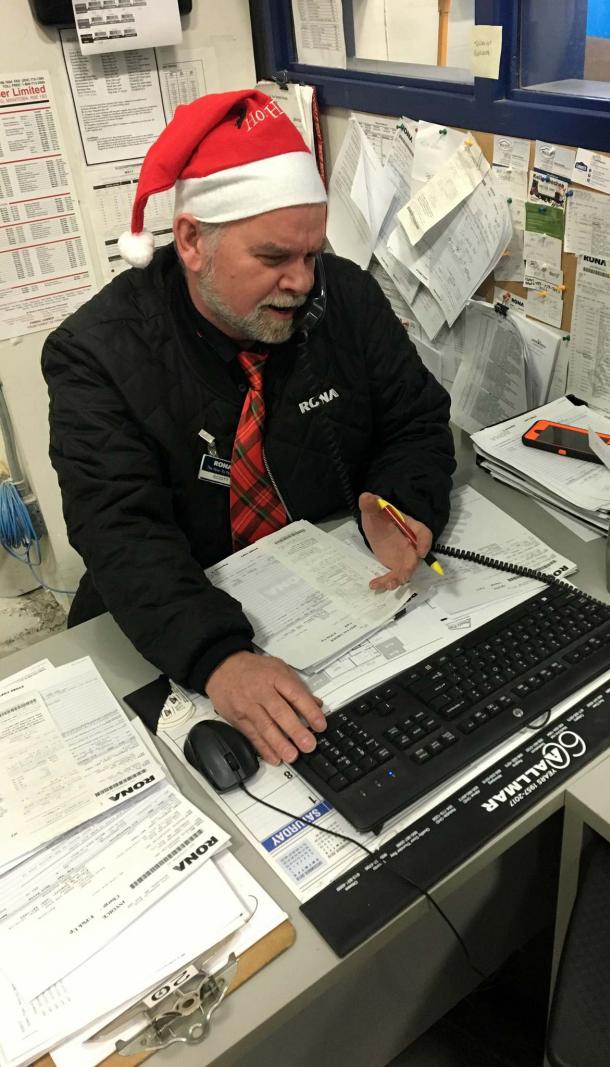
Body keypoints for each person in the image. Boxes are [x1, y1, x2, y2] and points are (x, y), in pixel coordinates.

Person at [42, 89, 455, 768]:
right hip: (169, 626)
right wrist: (220, 658)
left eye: (312, 254)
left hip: (333, 601)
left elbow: (414, 417)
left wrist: (400, 499)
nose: (301, 282)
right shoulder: (96, 356)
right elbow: (120, 529)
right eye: (273, 259)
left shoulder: (342, 297)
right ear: (192, 241)